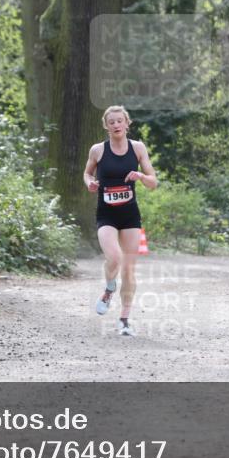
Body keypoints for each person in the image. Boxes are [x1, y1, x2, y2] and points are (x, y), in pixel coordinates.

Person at [84, 106, 158, 336]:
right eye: (111, 122)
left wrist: (140, 176)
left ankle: (124, 320)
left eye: (119, 121)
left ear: (127, 123)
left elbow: (153, 182)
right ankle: (109, 289)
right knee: (114, 258)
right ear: (106, 126)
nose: (116, 125)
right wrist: (89, 183)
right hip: (106, 214)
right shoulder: (98, 150)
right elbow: (87, 173)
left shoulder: (137, 148)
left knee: (128, 269)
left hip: (129, 215)